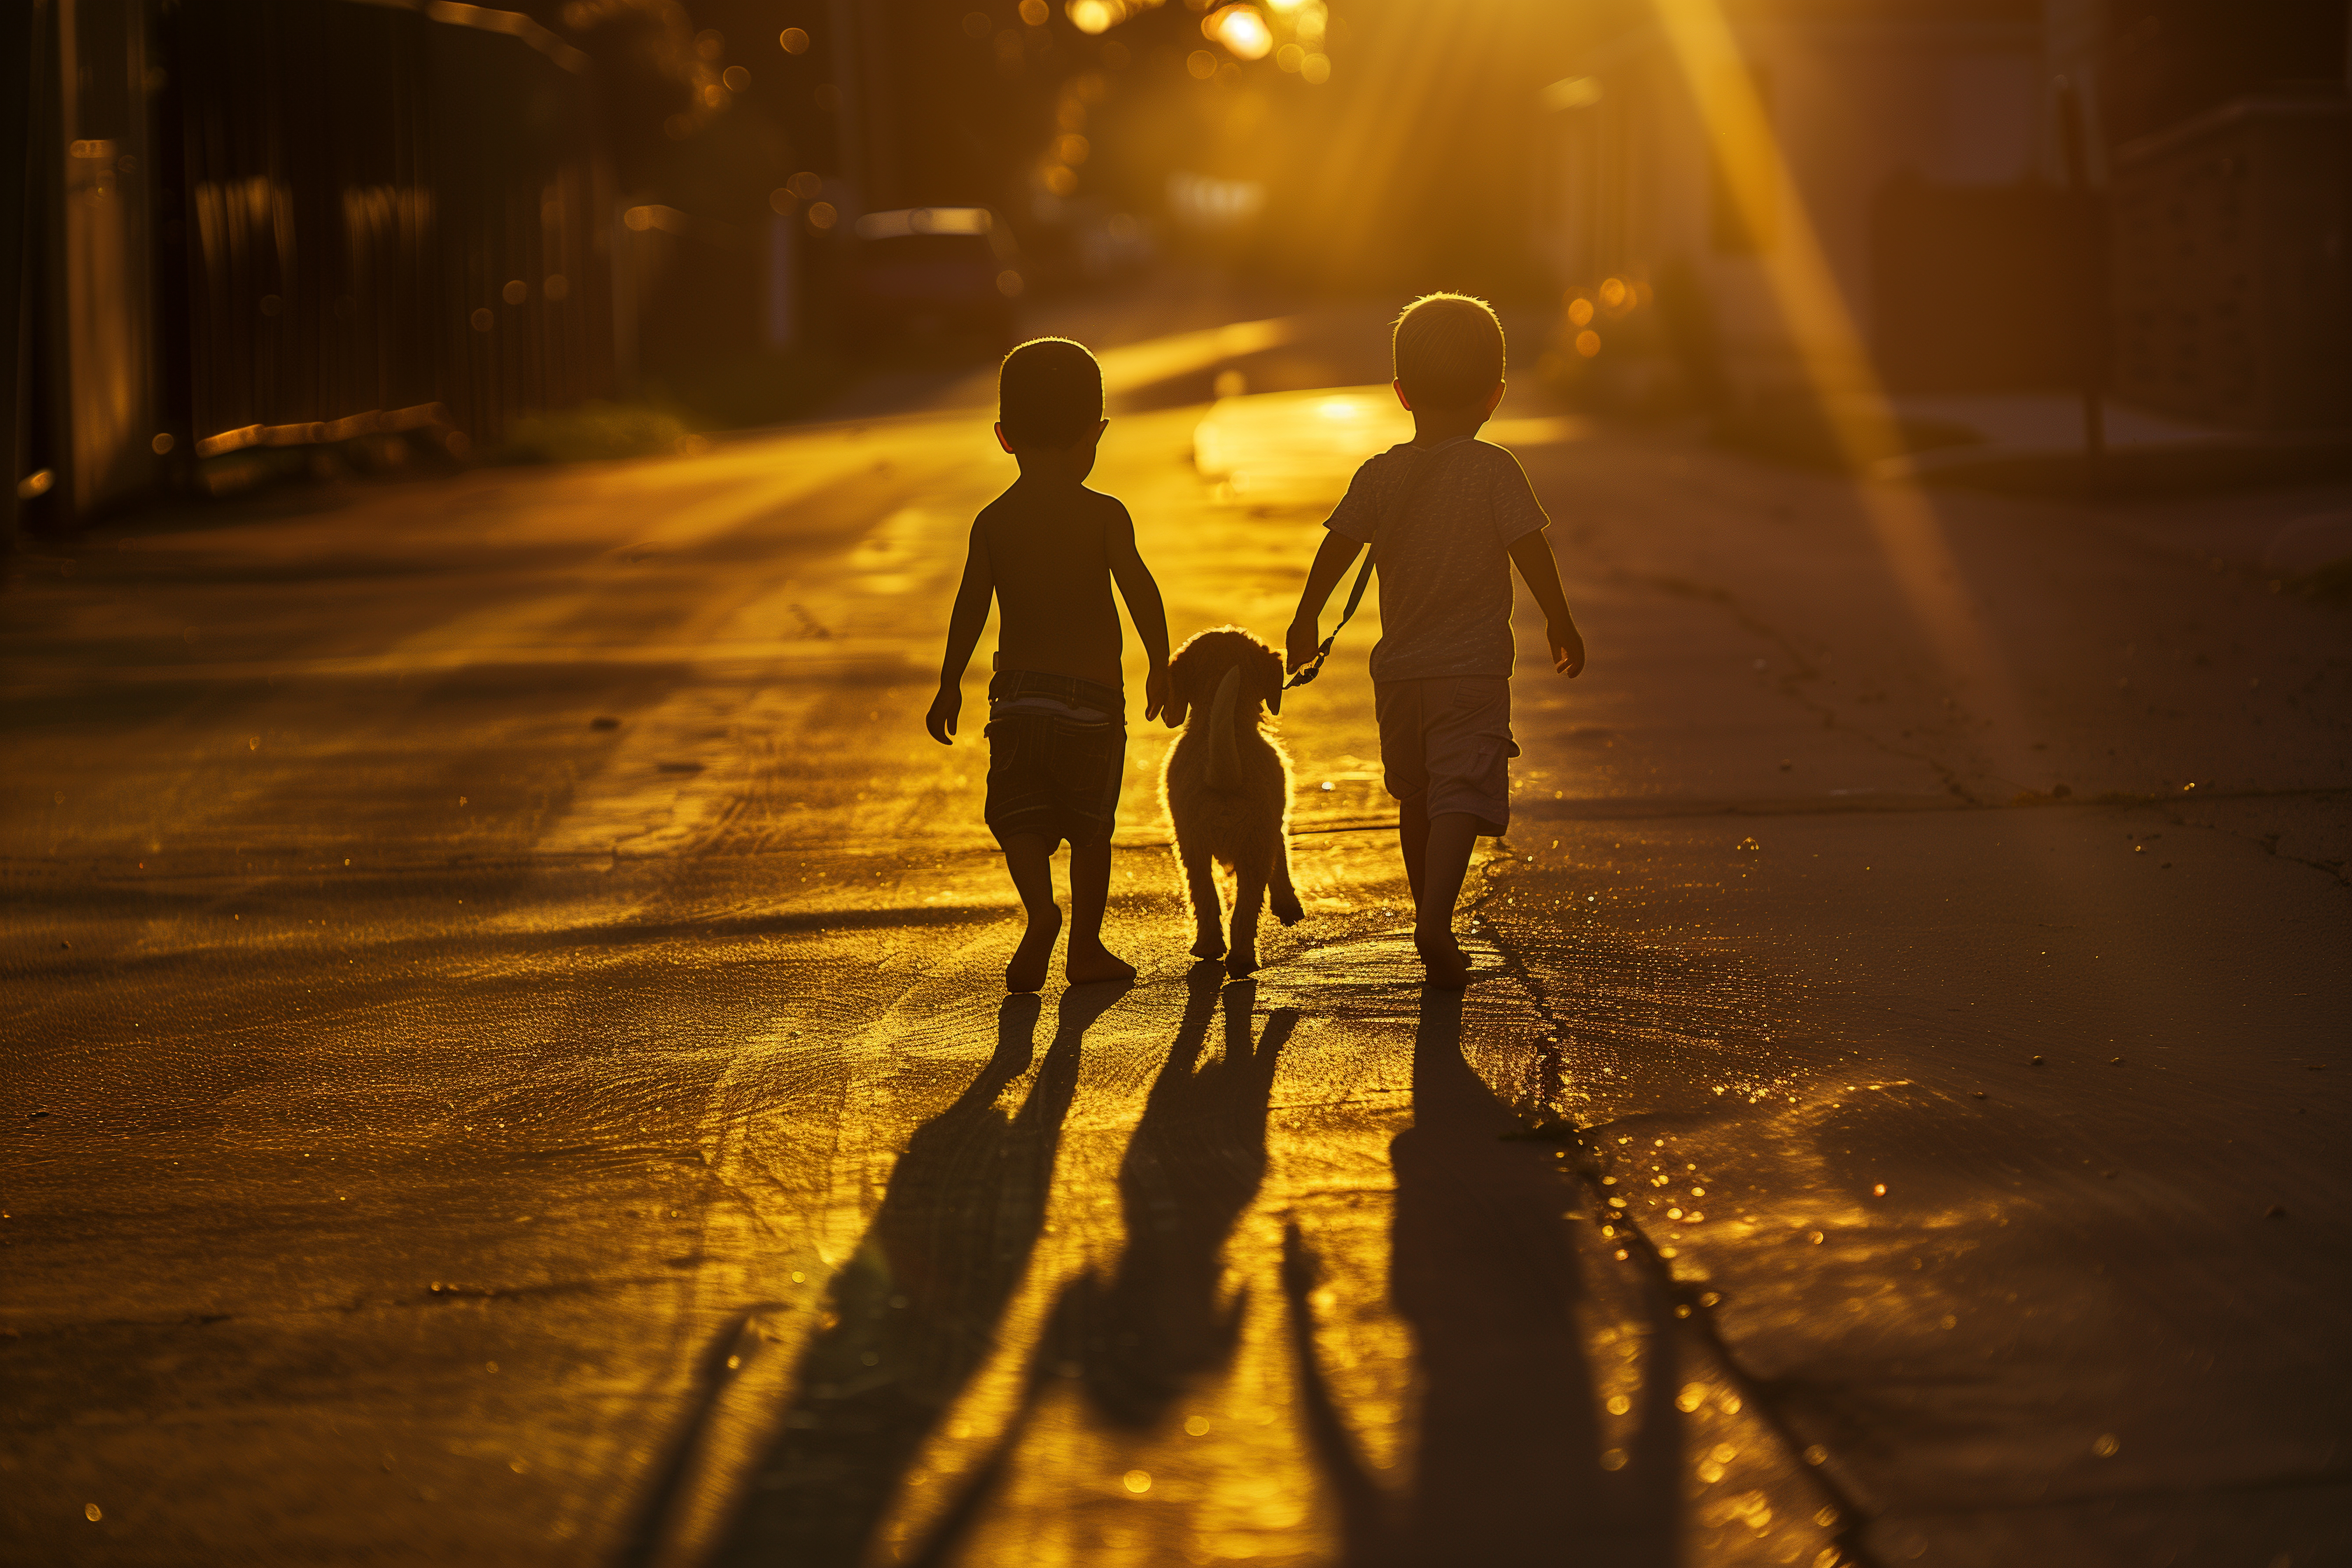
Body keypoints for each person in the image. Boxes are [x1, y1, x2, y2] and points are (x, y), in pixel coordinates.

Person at [1285, 294, 1586, 989]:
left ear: (1400, 394)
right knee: (1462, 789)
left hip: (1398, 677)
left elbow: (1336, 549)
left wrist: (1307, 619)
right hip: (1473, 670)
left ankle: (1430, 914)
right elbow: (1530, 550)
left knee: (1418, 796)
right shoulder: (1495, 470)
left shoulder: (1380, 474)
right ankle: (1435, 923)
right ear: (1495, 396)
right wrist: (1559, 619)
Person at [928, 337, 1172, 993]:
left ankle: (1041, 912)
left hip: (1018, 701)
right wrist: (1161, 661)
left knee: (1021, 816)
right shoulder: (1105, 515)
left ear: (1004, 437)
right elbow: (1140, 590)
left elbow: (970, 607)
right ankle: (1086, 948)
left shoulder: (993, 522)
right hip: (1092, 704)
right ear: (1095, 435)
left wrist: (950, 683)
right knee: (1092, 830)